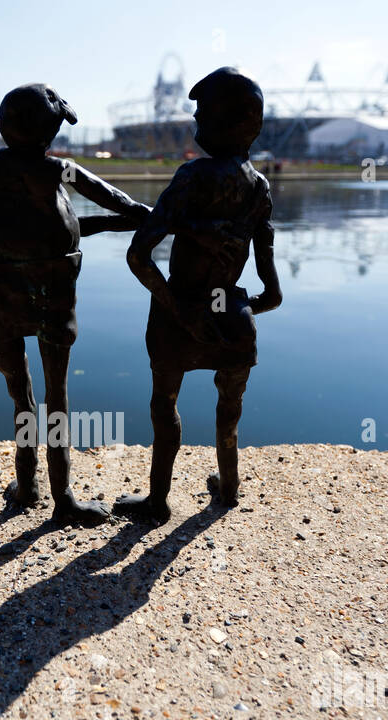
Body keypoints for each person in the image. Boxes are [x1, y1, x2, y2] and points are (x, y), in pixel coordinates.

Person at [0, 83, 149, 526]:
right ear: (48, 134)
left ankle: (27, 485)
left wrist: (107, 225)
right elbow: (122, 203)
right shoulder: (59, 172)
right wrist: (155, 218)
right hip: (47, 294)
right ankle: (62, 498)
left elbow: (48, 230)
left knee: (21, 394)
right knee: (57, 396)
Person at [115, 67, 283, 524]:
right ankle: (227, 489)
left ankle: (157, 502)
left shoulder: (192, 177)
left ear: (228, 122)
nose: (194, 124)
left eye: (202, 113)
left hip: (178, 315)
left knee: (163, 405)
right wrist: (238, 304)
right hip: (233, 315)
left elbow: (138, 256)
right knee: (229, 412)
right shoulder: (260, 188)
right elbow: (272, 291)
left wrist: (182, 310)